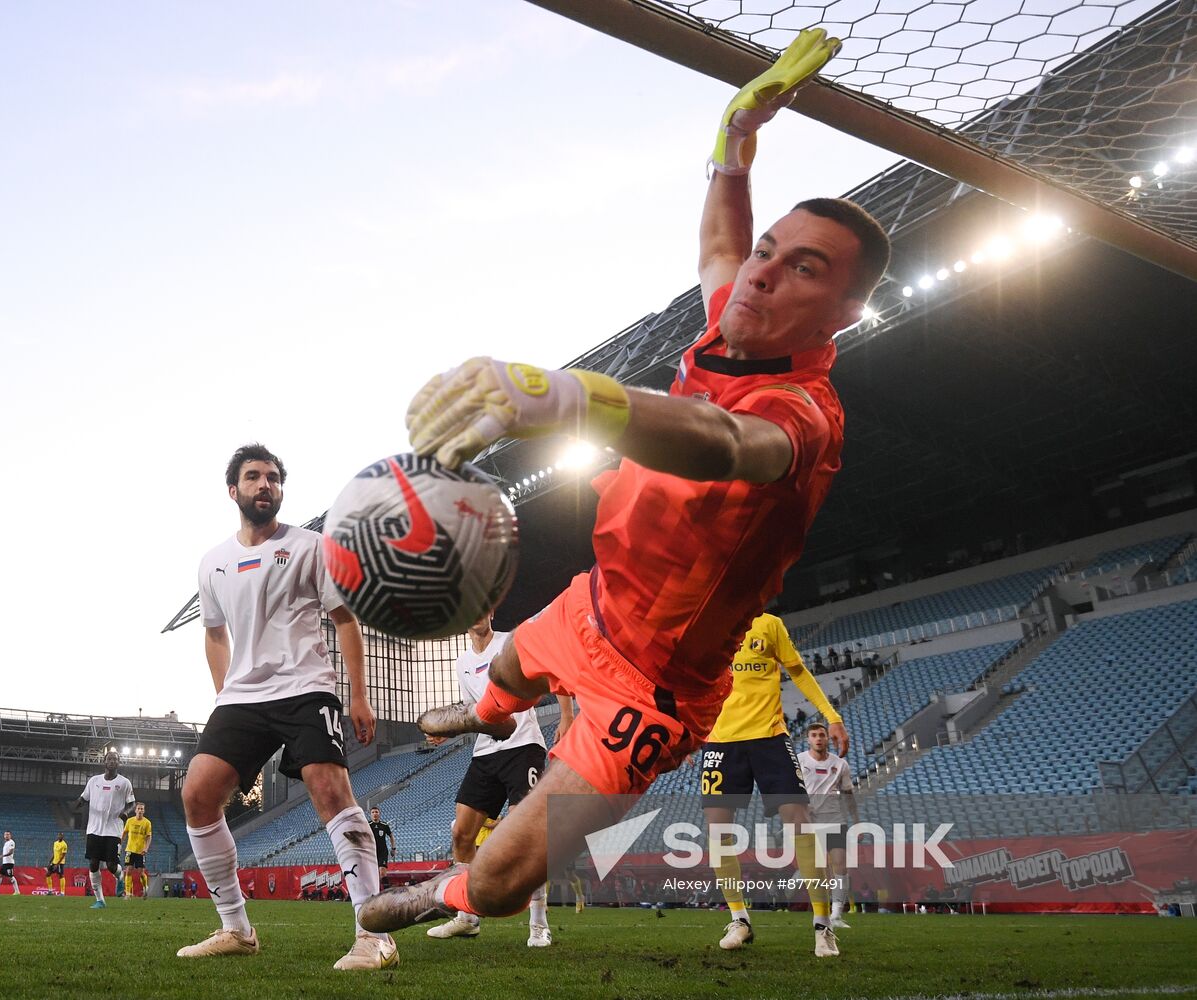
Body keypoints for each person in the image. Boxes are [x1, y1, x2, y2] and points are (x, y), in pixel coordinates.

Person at [357, 29, 887, 944]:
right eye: (771, 249)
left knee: (499, 884)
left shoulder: (804, 415)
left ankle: (440, 893)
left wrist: (567, 396)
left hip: (654, 693)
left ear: (844, 312)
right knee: (514, 669)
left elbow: (723, 443)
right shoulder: (732, 320)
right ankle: (480, 710)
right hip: (592, 602)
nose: (762, 269)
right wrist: (733, 138)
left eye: (805, 267)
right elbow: (722, 244)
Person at [177, 443, 395, 970]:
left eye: (273, 477)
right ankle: (236, 928)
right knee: (198, 796)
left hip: (305, 687)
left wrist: (358, 696)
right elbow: (213, 634)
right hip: (243, 698)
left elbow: (345, 619)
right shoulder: (213, 563)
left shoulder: (312, 546)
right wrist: (223, 691)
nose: (265, 485)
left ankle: (374, 934)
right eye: (253, 477)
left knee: (329, 789)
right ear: (234, 491)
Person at [701, 613, 849, 956]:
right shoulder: (707, 625)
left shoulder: (769, 624)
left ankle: (823, 926)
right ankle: (740, 920)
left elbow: (797, 671)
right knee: (716, 829)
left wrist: (832, 716)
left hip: (769, 738)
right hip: (721, 741)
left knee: (799, 820)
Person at [423, 612, 568, 947]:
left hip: (523, 746)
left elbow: (552, 670)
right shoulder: (461, 663)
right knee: (461, 833)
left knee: (524, 834)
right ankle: (467, 917)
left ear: (490, 612)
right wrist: (448, 730)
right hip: (486, 752)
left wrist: (567, 715)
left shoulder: (510, 643)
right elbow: (475, 712)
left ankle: (539, 924)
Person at [798, 722, 858, 929]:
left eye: (822, 735)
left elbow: (849, 794)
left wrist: (857, 821)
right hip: (809, 821)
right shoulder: (799, 761)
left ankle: (837, 915)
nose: (818, 738)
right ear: (808, 739)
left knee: (840, 864)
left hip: (834, 819)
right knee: (819, 868)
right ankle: (821, 913)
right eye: (814, 735)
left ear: (827, 738)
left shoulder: (840, 764)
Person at [80, 749, 135, 909]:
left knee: (111, 865)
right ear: (104, 762)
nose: (112, 761)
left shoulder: (124, 782)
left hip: (114, 830)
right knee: (93, 863)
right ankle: (100, 900)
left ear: (119, 763)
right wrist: (73, 805)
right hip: (94, 829)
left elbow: (131, 803)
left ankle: (120, 876)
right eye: (109, 759)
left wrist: (125, 813)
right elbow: (84, 798)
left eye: (115, 759)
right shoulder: (94, 781)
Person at [121, 802, 153, 898]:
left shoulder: (147, 823)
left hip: (140, 851)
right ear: (135, 810)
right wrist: (119, 843)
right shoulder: (130, 821)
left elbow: (149, 837)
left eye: (142, 809)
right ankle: (127, 893)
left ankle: (145, 887)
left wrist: (146, 848)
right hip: (130, 850)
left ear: (144, 811)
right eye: (138, 808)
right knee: (128, 870)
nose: (140, 810)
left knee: (140, 872)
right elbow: (124, 833)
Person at [368, 807, 394, 884]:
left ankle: (387, 893)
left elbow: (391, 836)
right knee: (373, 875)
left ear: (379, 814)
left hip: (382, 852)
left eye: (376, 812)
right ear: (370, 815)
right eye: (373, 812)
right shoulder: (367, 825)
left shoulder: (384, 825)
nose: (375, 814)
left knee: (382, 873)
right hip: (371, 852)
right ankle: (375, 893)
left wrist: (393, 848)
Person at [0, 830, 20, 895]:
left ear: (10, 835)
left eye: (8, 834)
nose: (6, 836)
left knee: (11, 877)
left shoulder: (11, 842)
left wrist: (3, 855)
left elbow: (11, 852)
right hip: (4, 863)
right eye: (5, 835)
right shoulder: (6, 843)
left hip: (9, 863)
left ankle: (17, 891)